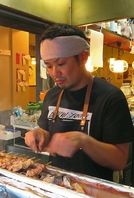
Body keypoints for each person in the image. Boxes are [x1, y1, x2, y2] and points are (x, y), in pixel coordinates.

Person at [24, 23, 134, 181]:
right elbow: (46, 132)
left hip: (92, 190)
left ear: (83, 57)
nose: (55, 73)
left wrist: (84, 141)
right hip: (57, 184)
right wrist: (39, 134)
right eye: (49, 66)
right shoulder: (52, 95)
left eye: (61, 64)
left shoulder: (110, 97)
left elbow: (120, 161)